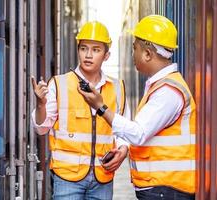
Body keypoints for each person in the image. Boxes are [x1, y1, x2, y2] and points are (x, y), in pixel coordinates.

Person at [78, 15, 196, 200]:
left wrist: (101, 108)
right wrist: (125, 148)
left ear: (147, 54)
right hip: (162, 188)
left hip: (168, 189)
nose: (132, 54)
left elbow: (139, 133)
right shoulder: (161, 86)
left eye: (134, 49)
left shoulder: (168, 91)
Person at [31, 21, 130, 200]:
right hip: (67, 178)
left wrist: (123, 150)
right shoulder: (59, 84)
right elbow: (41, 128)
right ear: (78, 50)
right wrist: (40, 104)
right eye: (84, 48)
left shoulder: (117, 88)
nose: (88, 55)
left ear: (106, 55)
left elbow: (123, 130)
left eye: (96, 50)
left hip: (103, 177)